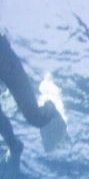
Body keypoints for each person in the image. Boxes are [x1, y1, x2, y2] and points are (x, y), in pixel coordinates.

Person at [0, 31, 65, 163]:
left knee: (35, 118)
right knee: (34, 118)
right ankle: (14, 145)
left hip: (3, 56)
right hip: (5, 58)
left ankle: (51, 99)